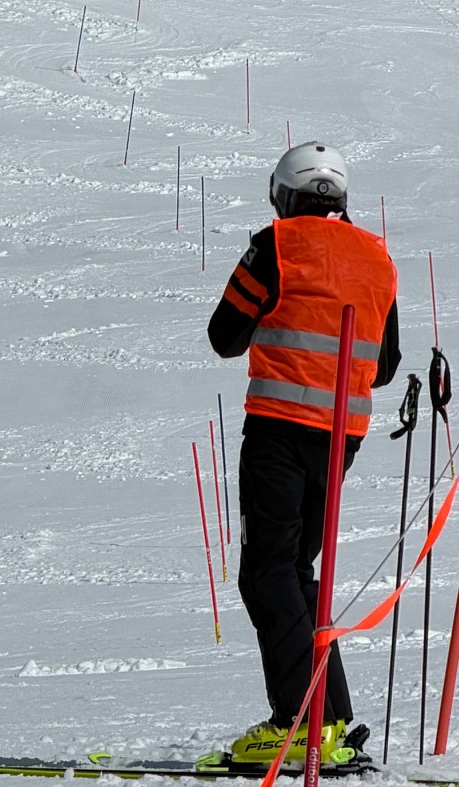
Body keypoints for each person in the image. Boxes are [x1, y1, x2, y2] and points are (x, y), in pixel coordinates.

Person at [210, 143, 399, 767]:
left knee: (268, 571)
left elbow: (224, 335)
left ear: (284, 195)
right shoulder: (378, 258)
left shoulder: (276, 244)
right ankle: (329, 719)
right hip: (343, 436)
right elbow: (388, 362)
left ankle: (299, 723)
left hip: (279, 428)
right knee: (295, 572)